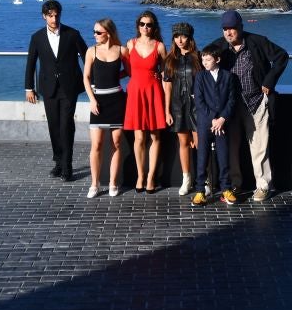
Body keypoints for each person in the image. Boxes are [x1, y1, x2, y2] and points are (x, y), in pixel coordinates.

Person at [209, 10, 289, 202]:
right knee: (232, 147)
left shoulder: (257, 41)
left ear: (241, 28)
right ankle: (234, 185)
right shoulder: (218, 47)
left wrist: (269, 82)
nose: (228, 33)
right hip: (231, 106)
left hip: (256, 102)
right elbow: (202, 61)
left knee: (260, 147)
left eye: (232, 29)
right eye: (225, 29)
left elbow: (282, 56)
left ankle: (262, 186)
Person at [24, 0, 87, 182]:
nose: (54, 18)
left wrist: (92, 81)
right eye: (50, 15)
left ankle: (67, 167)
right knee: (54, 127)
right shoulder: (37, 38)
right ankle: (58, 162)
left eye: (57, 14)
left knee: (66, 125)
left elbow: (87, 57)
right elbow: (30, 64)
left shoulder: (72, 34)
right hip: (48, 88)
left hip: (69, 88)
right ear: (44, 16)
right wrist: (29, 88)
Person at [82, 18, 127, 198]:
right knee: (97, 144)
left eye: (98, 32)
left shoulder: (122, 51)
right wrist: (92, 100)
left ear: (108, 33)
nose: (94, 35)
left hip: (117, 100)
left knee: (116, 143)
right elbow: (85, 77)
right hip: (98, 101)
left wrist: (116, 75)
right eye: (94, 32)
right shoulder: (91, 51)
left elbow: (130, 72)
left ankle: (113, 183)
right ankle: (94, 184)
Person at [124, 10, 167, 193]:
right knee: (139, 137)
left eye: (149, 24)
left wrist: (167, 103)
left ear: (153, 27)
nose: (145, 27)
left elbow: (166, 73)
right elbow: (127, 70)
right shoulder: (130, 44)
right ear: (138, 26)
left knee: (155, 136)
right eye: (142, 24)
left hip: (154, 92)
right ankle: (140, 175)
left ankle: (151, 176)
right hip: (135, 93)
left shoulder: (159, 46)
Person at [190, 44, 237, 207]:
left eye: (208, 59)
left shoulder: (228, 76)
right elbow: (199, 101)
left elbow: (232, 100)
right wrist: (213, 119)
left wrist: (222, 118)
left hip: (222, 124)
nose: (204, 62)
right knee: (202, 156)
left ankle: (226, 189)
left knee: (223, 156)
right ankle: (200, 191)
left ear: (217, 59)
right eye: (203, 59)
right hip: (205, 123)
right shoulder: (200, 77)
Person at [162, 21, 202, 196]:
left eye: (183, 35)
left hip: (197, 107)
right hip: (178, 106)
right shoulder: (170, 60)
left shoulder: (199, 57)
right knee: (183, 143)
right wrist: (166, 110)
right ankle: (187, 179)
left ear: (189, 37)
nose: (180, 39)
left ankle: (204, 179)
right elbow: (167, 86)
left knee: (201, 144)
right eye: (176, 36)